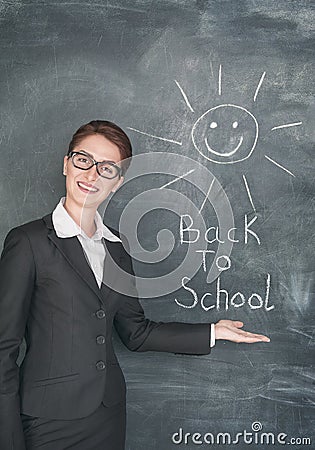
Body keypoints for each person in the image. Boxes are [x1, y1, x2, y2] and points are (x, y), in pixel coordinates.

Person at [0, 120, 270, 450]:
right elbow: (3, 349)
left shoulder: (117, 248)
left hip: (108, 417)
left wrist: (213, 331)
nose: (92, 175)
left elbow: (135, 332)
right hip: (47, 422)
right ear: (65, 164)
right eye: (83, 160)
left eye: (107, 168)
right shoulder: (28, 242)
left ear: (117, 182)